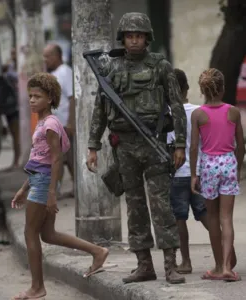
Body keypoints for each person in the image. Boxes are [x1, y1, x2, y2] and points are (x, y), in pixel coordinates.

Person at [86, 12, 187, 284]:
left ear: (147, 38)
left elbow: (176, 106)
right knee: (135, 207)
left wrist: (180, 144)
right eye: (129, 36)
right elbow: (99, 109)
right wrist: (92, 145)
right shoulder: (111, 70)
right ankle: (144, 265)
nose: (134, 40)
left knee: (161, 206)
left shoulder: (160, 66)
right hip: (124, 146)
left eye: (139, 36)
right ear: (123, 38)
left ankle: (171, 266)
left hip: (153, 143)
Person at [11, 73, 109, 299]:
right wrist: (23, 188)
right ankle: (98, 251)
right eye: (31, 96)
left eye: (38, 96)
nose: (32, 100)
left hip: (45, 184)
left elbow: (56, 159)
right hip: (39, 181)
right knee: (48, 234)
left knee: (30, 232)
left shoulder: (51, 125)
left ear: (50, 98)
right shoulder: (44, 122)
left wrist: (52, 193)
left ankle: (37, 287)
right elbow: (40, 160)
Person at [190, 68, 245, 282]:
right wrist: (237, 167)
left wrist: (194, 174)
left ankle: (217, 265)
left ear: (203, 90)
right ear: (223, 88)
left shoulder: (198, 114)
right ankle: (227, 268)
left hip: (208, 166)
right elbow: (240, 145)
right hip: (228, 163)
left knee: (212, 218)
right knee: (227, 218)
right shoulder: (233, 112)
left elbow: (194, 147)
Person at [167, 69, 208, 273]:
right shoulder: (200, 111)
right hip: (199, 172)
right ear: (187, 88)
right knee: (207, 215)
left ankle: (186, 261)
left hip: (176, 175)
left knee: (179, 219)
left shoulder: (166, 115)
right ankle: (226, 253)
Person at [43, 43, 75, 198]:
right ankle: (71, 188)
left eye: (48, 56)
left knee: (61, 158)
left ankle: (57, 190)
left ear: (57, 56)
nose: (45, 59)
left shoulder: (65, 72)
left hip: (64, 124)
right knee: (65, 158)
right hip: (56, 124)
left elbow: (72, 98)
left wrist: (70, 122)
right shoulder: (54, 73)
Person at [0, 64, 21, 171]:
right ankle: (16, 161)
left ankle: (16, 161)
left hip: (13, 109)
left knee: (16, 137)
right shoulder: (6, 77)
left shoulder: (8, 76)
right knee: (16, 137)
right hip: (10, 109)